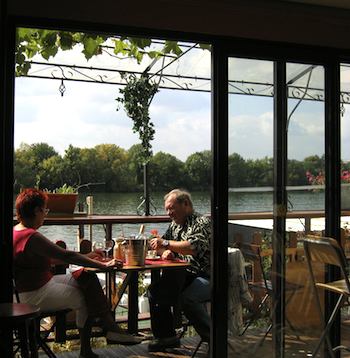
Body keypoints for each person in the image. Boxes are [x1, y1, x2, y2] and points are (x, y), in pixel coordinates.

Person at [13, 188, 142, 358]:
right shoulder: (31, 236)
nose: (45, 214)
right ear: (37, 210)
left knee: (87, 276)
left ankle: (110, 329)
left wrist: (87, 257)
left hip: (34, 287)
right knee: (84, 298)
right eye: (45, 210)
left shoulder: (17, 231)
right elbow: (65, 255)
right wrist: (102, 265)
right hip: (33, 294)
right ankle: (89, 349)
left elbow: (51, 258)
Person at [147, 188, 211, 352]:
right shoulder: (174, 226)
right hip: (183, 275)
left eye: (171, 208)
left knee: (187, 299)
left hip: (206, 276)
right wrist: (164, 251)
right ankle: (167, 337)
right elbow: (160, 245)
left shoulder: (201, 222)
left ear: (186, 204)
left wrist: (167, 244)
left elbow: (193, 247)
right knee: (155, 292)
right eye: (167, 209)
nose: (168, 212)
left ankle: (213, 338)